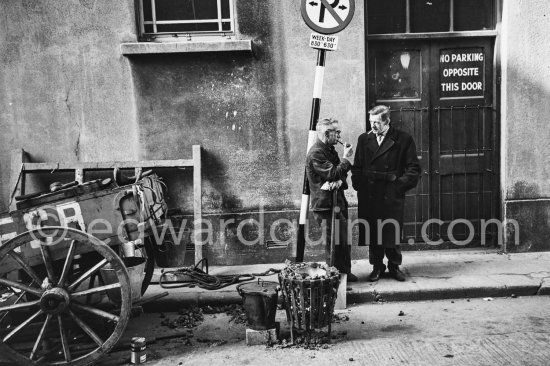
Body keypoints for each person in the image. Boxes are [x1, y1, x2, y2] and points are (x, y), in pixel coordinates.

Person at [351, 105, 420, 282]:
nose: (373, 127)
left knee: (391, 231)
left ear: (387, 121)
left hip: (391, 194)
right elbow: (357, 166)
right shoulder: (364, 139)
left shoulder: (403, 139)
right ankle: (377, 267)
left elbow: (413, 168)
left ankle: (394, 266)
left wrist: (399, 187)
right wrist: (359, 185)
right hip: (370, 194)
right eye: (371, 122)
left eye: (377, 123)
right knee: (374, 231)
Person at [306, 117, 358, 282]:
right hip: (326, 206)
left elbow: (339, 176)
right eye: (337, 132)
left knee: (343, 240)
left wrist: (339, 173)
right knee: (333, 243)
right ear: (327, 134)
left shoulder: (329, 149)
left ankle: (345, 272)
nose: (339, 135)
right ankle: (334, 278)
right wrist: (346, 159)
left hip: (338, 201)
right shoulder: (316, 153)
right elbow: (334, 173)